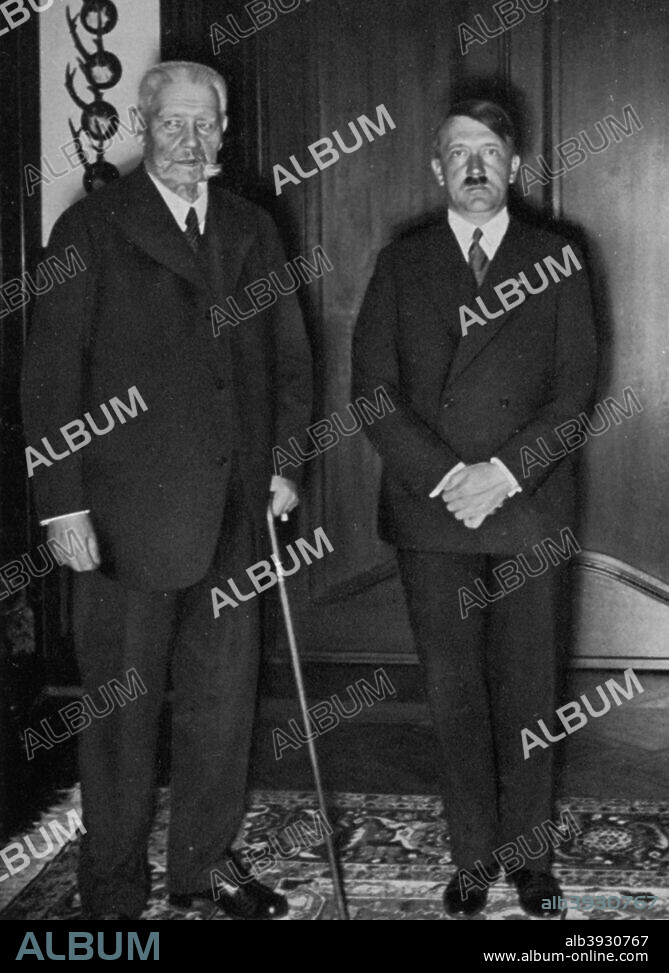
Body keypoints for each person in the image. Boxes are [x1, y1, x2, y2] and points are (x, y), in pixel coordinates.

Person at [21, 61, 312, 921]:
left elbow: (290, 363)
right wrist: (62, 505)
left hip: (234, 514)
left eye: (206, 123)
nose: (192, 140)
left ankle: (203, 866)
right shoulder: (92, 226)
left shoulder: (254, 229)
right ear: (145, 127)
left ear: (224, 129)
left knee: (223, 706)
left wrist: (284, 465)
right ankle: (110, 888)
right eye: (175, 123)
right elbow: (49, 377)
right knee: (120, 717)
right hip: (122, 518)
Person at [352, 99, 597, 918]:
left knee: (528, 689)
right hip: (434, 512)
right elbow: (372, 397)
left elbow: (574, 393)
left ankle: (529, 859)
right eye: (458, 152)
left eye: (489, 151)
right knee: (453, 690)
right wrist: (452, 478)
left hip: (525, 506)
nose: (474, 166)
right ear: (435, 169)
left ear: (514, 166)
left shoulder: (556, 258)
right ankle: (470, 857)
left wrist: (501, 471)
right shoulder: (401, 263)